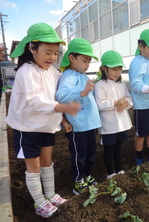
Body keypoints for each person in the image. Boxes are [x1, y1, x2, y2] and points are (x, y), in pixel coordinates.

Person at [6, 23, 80, 218]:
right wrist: (61, 108)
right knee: (34, 166)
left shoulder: (53, 72)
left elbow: (58, 93)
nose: (52, 58)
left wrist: (62, 118)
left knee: (47, 162)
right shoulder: (26, 71)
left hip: (46, 126)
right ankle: (39, 202)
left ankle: (50, 194)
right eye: (48, 52)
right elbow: (35, 100)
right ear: (32, 48)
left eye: (56, 53)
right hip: (27, 127)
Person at [56, 38, 101, 195]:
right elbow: (61, 96)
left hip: (89, 124)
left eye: (88, 61)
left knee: (90, 154)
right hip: (78, 125)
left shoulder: (83, 76)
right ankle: (78, 181)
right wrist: (81, 92)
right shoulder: (69, 75)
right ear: (71, 58)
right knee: (79, 155)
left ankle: (87, 176)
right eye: (84, 60)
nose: (87, 64)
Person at [94, 50, 133, 179]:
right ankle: (110, 172)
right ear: (104, 69)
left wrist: (126, 103)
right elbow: (99, 104)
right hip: (108, 125)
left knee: (118, 148)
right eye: (114, 69)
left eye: (119, 69)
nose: (117, 72)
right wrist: (115, 103)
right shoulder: (100, 85)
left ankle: (119, 169)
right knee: (108, 149)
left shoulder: (121, 84)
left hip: (121, 123)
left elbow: (129, 98)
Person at [128, 29, 149, 165]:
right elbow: (136, 84)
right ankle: (139, 158)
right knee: (141, 133)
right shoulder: (138, 62)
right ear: (140, 46)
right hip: (143, 106)